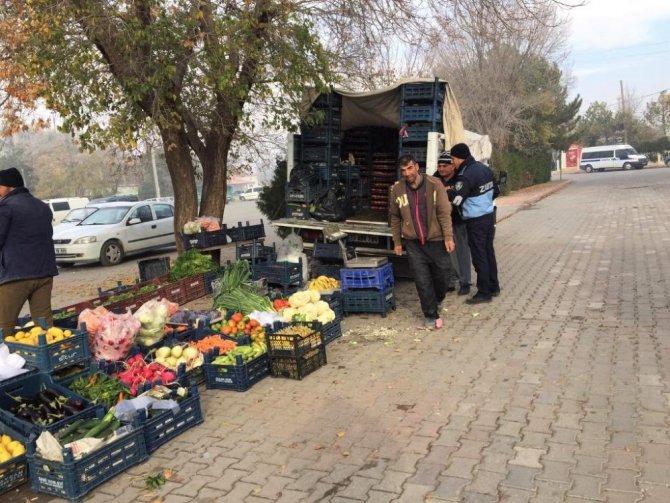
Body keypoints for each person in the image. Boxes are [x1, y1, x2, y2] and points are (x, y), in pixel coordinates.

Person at [389, 155, 456, 329]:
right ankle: (430, 315)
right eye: (403, 170)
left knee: (443, 275)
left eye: (410, 168)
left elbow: (444, 212)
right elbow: (395, 217)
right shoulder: (397, 190)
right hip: (414, 243)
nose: (407, 173)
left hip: (436, 240)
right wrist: (397, 241)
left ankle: (438, 299)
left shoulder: (434, 185)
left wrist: (448, 237)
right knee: (422, 280)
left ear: (417, 167)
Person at [0, 167, 59, 337]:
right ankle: (49, 360)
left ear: (8, 187)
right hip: (44, 273)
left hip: (16, 276)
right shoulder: (42, 207)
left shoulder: (5, 207)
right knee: (45, 326)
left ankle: (5, 362)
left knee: (4, 326)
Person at [448, 143, 500, 304]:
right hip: (488, 216)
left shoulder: (466, 174)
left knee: (479, 256)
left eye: (452, 159)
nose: (452, 163)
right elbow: (496, 191)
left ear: (458, 158)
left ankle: (484, 292)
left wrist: (448, 191)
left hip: (475, 221)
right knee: (488, 252)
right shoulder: (483, 168)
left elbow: (457, 199)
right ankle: (493, 286)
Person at [433, 151, 472, 296]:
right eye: (439, 165)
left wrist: (448, 192)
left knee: (461, 253)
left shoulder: (460, 179)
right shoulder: (435, 178)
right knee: (445, 254)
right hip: (440, 222)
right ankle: (449, 281)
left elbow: (459, 196)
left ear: (452, 166)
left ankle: (465, 283)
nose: (441, 169)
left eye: (445, 165)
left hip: (458, 221)